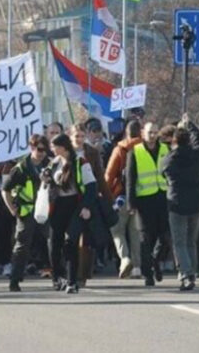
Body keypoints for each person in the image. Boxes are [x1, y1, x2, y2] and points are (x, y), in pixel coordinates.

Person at [44, 134, 97, 294]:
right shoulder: (53, 163)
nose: (51, 149)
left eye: (54, 146)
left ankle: (72, 281)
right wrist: (45, 179)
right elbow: (49, 183)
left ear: (63, 147)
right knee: (54, 243)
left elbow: (91, 186)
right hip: (57, 206)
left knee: (70, 242)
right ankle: (57, 278)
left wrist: (86, 206)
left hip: (75, 205)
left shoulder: (81, 162)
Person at [161, 115, 199, 291]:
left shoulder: (169, 160)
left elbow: (164, 173)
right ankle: (191, 272)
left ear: (173, 140)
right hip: (196, 202)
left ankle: (186, 274)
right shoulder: (196, 154)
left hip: (177, 203)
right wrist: (190, 125)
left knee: (179, 242)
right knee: (190, 241)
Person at [125, 121, 172, 287]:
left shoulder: (166, 150)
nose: (152, 136)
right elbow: (130, 179)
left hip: (163, 198)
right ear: (143, 134)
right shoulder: (135, 152)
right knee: (146, 239)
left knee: (165, 236)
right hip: (144, 200)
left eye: (155, 132)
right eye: (149, 132)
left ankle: (155, 261)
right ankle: (148, 274)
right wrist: (130, 203)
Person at [2, 135, 48, 292]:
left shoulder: (49, 165)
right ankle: (15, 279)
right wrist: (11, 208)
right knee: (22, 245)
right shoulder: (20, 168)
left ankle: (58, 277)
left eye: (44, 150)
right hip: (26, 211)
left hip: (45, 210)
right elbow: (5, 189)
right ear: (32, 148)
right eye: (39, 149)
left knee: (52, 242)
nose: (42, 153)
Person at [69, 124, 113, 286]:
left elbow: (100, 178)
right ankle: (71, 272)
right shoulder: (65, 154)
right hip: (71, 201)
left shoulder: (92, 153)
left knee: (87, 239)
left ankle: (83, 274)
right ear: (70, 137)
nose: (79, 139)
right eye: (76, 136)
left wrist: (109, 200)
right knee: (72, 238)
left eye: (81, 136)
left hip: (89, 200)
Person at [105, 120, 143, 279]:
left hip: (121, 195)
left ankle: (125, 258)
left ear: (126, 133)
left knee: (117, 230)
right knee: (135, 232)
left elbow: (109, 174)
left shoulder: (120, 149)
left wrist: (106, 194)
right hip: (142, 195)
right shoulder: (145, 148)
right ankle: (137, 268)